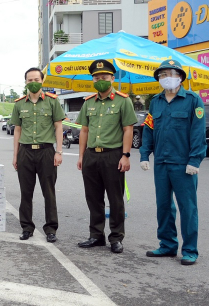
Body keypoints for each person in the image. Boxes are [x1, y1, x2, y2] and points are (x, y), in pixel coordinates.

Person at [140, 59, 206, 265]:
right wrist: (144, 154)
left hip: (183, 164)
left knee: (187, 207)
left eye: (171, 73)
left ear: (180, 77)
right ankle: (167, 245)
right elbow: (149, 129)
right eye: (162, 75)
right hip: (161, 162)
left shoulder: (193, 100)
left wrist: (195, 160)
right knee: (164, 206)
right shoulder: (156, 102)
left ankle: (189, 250)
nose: (166, 78)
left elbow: (198, 133)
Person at [76, 60, 137, 254]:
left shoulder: (122, 100)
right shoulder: (89, 102)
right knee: (93, 198)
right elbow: (84, 130)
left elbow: (128, 129)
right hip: (91, 156)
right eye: (96, 77)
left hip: (113, 155)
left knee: (115, 199)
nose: (100, 80)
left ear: (112, 78)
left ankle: (116, 238)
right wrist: (81, 156)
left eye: (104, 77)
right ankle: (96, 235)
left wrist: (125, 155)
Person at [11, 68, 65, 243]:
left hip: (46, 151)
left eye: (36, 79)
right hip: (25, 152)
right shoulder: (19, 104)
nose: (33, 82)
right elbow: (17, 130)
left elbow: (58, 127)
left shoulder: (52, 102)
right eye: (29, 80)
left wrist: (59, 151)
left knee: (49, 192)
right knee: (26, 193)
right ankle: (27, 228)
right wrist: (15, 155)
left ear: (42, 81)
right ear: (25, 82)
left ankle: (51, 229)